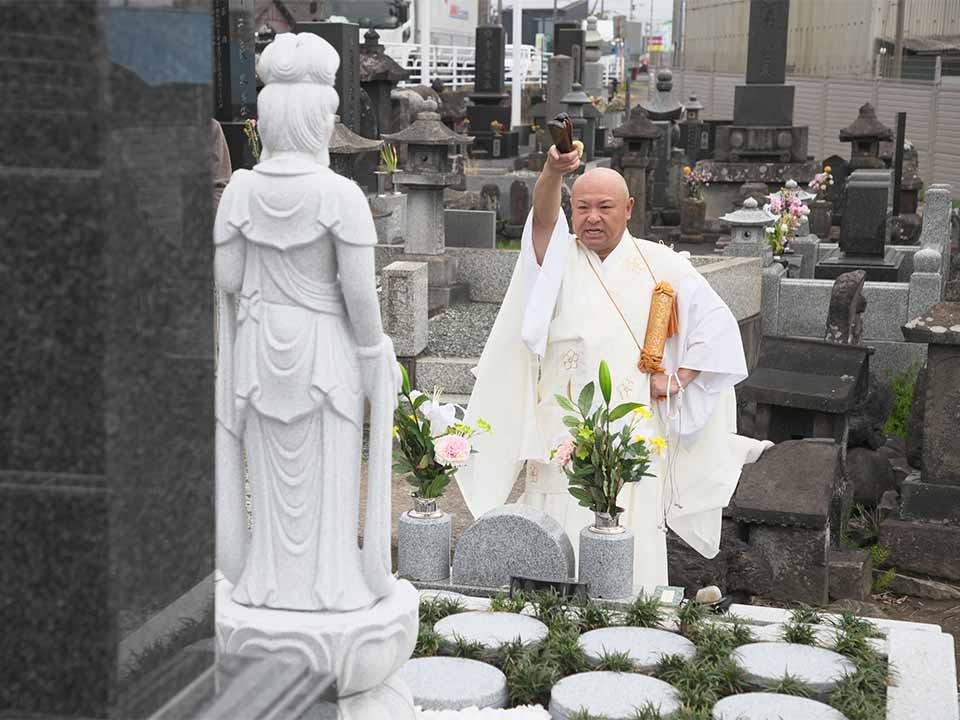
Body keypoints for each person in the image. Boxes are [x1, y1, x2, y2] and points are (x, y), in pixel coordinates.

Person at [456, 146, 771, 593]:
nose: (592, 217)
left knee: (630, 517)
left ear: (628, 209)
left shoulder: (660, 263)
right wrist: (551, 170)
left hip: (634, 424)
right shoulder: (558, 261)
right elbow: (542, 221)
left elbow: (716, 328)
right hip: (561, 422)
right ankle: (549, 613)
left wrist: (680, 377)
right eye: (582, 207)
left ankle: (630, 610)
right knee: (555, 517)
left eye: (605, 207)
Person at [213, 32, 400, 612]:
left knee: (268, 479)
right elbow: (358, 296)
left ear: (268, 123)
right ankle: (330, 583)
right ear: (320, 121)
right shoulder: (339, 196)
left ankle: (267, 581)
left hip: (260, 346)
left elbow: (226, 275)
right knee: (329, 476)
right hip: (325, 350)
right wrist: (376, 355)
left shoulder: (240, 191)